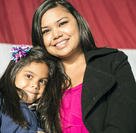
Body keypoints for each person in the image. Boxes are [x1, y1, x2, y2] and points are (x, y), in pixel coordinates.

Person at [32, 0, 136, 133]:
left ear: (77, 21)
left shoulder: (113, 62)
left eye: (62, 23)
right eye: (46, 31)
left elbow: (124, 124)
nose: (56, 34)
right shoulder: (40, 77)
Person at [0, 46, 68, 133]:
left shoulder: (39, 111)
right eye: (29, 76)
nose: (35, 85)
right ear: (14, 72)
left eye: (42, 81)